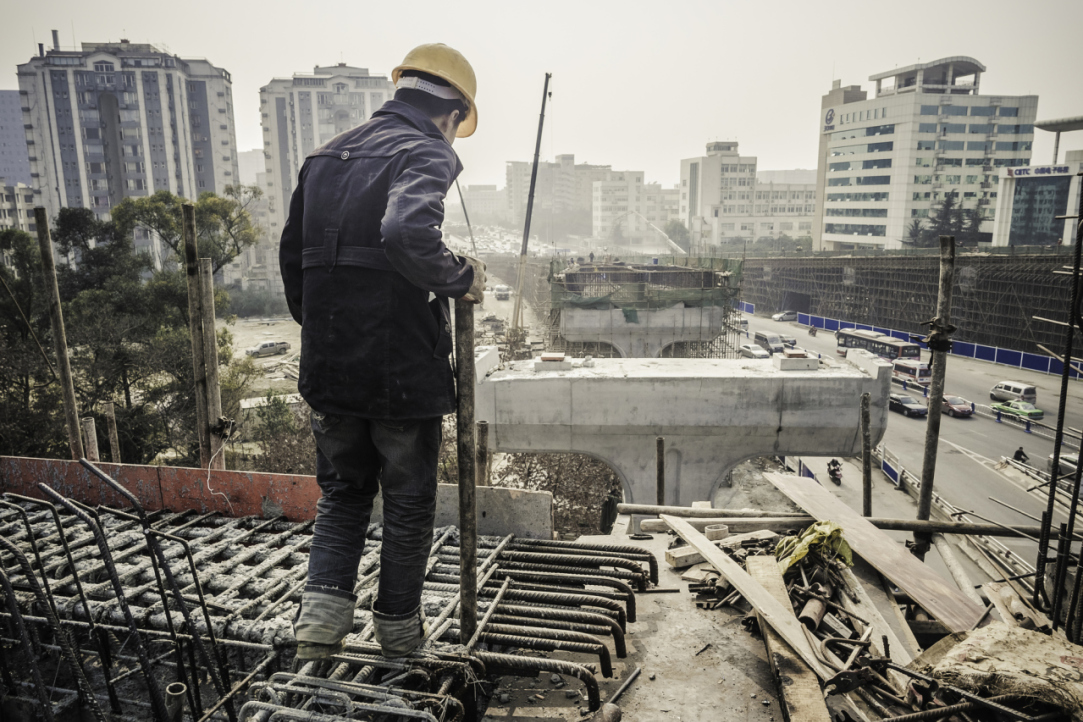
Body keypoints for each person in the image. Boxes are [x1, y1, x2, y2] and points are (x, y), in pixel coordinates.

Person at [280, 43, 486, 661]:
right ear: (451, 112)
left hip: (329, 365)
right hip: (399, 370)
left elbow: (294, 259)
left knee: (342, 496)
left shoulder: (323, 156)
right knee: (406, 501)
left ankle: (317, 633)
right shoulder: (426, 149)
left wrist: (325, 332)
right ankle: (399, 638)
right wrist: (459, 276)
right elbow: (404, 230)